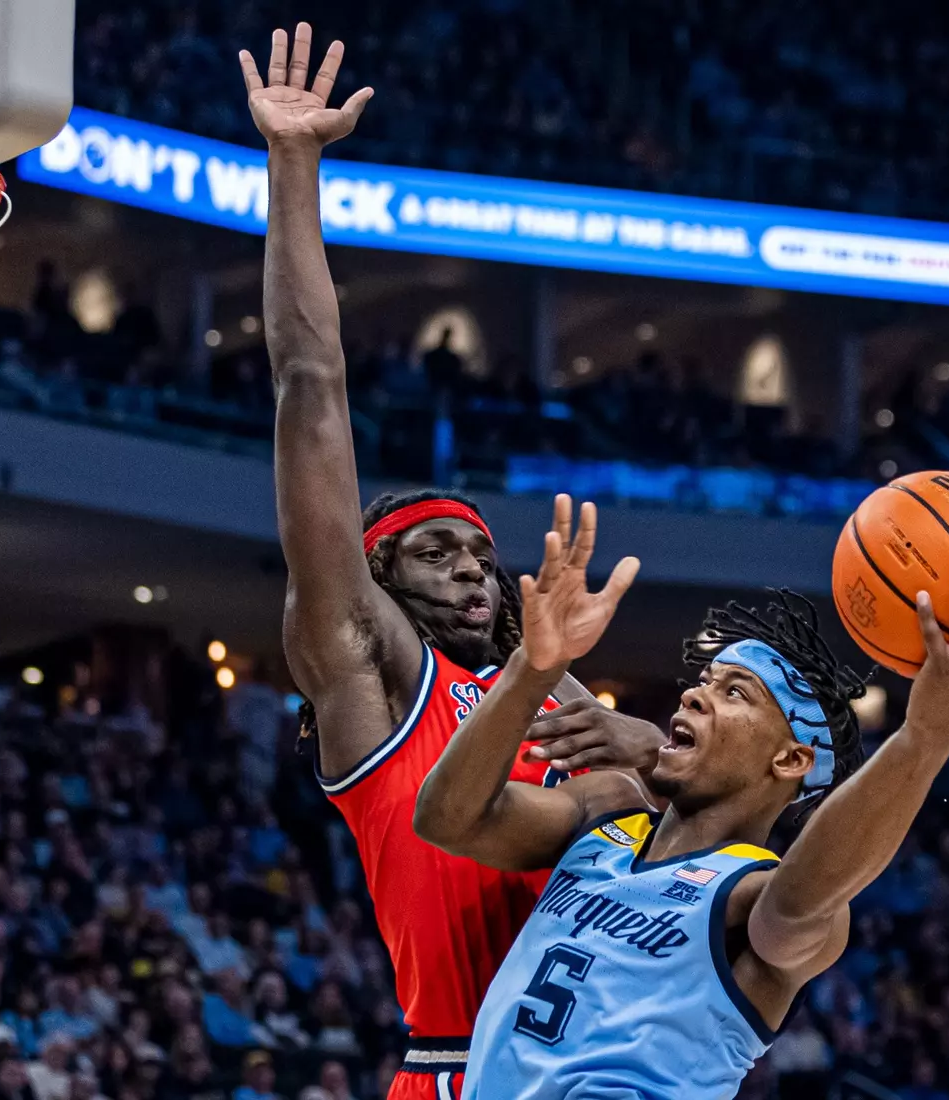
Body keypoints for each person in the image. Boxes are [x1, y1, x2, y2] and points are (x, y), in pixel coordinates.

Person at [239, 27, 662, 1100]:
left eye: (483, 552)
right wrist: (295, 170)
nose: (477, 571)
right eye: (438, 552)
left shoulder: (538, 683)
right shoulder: (369, 677)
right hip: (464, 1070)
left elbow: (717, 789)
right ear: (375, 584)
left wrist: (642, 737)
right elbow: (310, 384)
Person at [412, 497, 949, 1100]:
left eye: (735, 693)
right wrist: (534, 667)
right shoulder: (602, 814)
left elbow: (807, 894)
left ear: (791, 759)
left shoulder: (753, 894)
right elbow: (445, 819)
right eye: (702, 682)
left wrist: (926, 736)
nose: (692, 696)